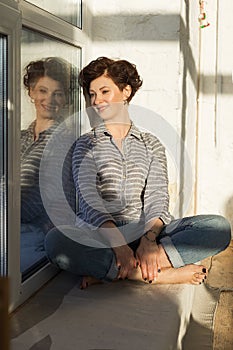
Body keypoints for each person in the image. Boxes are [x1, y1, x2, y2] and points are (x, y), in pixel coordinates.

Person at [45, 57, 231, 289]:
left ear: (126, 91)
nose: (97, 100)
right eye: (92, 94)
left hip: (143, 232)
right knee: (56, 242)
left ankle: (116, 270)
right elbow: (88, 203)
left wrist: (149, 241)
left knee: (219, 227)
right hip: (100, 237)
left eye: (104, 91)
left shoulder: (151, 144)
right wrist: (119, 246)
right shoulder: (85, 144)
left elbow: (157, 197)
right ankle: (153, 274)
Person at [21, 57, 76, 274]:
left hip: (35, 241)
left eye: (58, 93)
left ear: (65, 100)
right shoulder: (18, 138)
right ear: (31, 92)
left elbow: (30, 202)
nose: (49, 99)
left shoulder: (65, 142)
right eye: (42, 91)